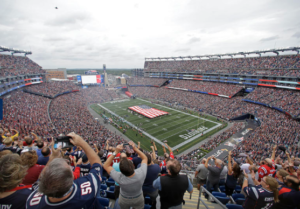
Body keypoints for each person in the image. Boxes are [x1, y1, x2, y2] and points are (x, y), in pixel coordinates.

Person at [26, 132, 103, 209]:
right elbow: (97, 164)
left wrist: (53, 157)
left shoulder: (32, 202)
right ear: (71, 179)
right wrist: (82, 142)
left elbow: (41, 179)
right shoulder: (86, 193)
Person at [103, 141, 147, 209]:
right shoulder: (141, 173)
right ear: (133, 166)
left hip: (124, 199)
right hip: (138, 198)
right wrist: (135, 149)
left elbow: (106, 165)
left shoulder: (119, 177)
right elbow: (145, 158)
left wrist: (116, 152)